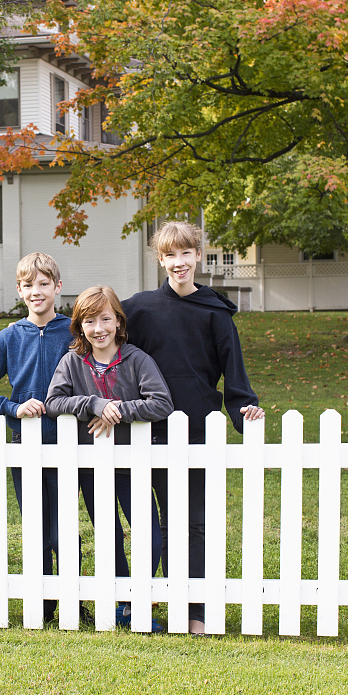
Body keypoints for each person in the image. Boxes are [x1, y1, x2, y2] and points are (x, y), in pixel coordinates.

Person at [121, 221, 264, 635]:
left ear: (199, 255)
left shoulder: (216, 313)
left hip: (199, 430)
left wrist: (245, 410)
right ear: (160, 259)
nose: (179, 263)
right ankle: (149, 604)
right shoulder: (141, 308)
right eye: (170, 255)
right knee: (154, 523)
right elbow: (101, 335)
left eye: (187, 253)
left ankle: (194, 612)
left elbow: (234, 374)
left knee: (193, 523)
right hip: (147, 430)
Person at [0, 252, 92, 624]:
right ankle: (41, 603)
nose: (36, 291)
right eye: (28, 285)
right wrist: (12, 408)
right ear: (19, 290)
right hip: (26, 445)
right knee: (36, 526)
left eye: (43, 283)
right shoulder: (9, 337)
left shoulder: (74, 332)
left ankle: (72, 600)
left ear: (57, 286)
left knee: (65, 528)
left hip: (70, 443)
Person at [45, 285, 173, 631]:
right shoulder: (73, 362)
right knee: (109, 534)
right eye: (89, 321)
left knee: (149, 533)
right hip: (92, 466)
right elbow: (54, 402)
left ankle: (139, 596)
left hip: (132, 463)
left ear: (118, 321)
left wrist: (119, 410)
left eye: (105, 319)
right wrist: (93, 404)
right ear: (80, 325)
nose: (98, 328)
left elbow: (161, 403)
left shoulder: (136, 359)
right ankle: (123, 604)